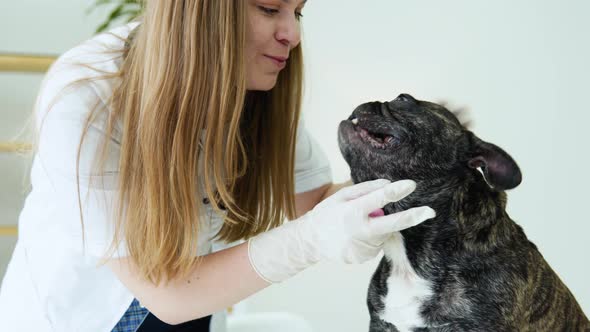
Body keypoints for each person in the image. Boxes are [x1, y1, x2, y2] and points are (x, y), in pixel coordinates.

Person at [0, 1, 435, 331]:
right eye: (269, 8)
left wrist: (419, 185)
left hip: (195, 308)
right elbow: (166, 293)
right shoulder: (89, 95)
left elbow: (314, 202)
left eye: (298, 13)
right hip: (79, 317)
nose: (292, 34)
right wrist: (306, 241)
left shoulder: (254, 90)